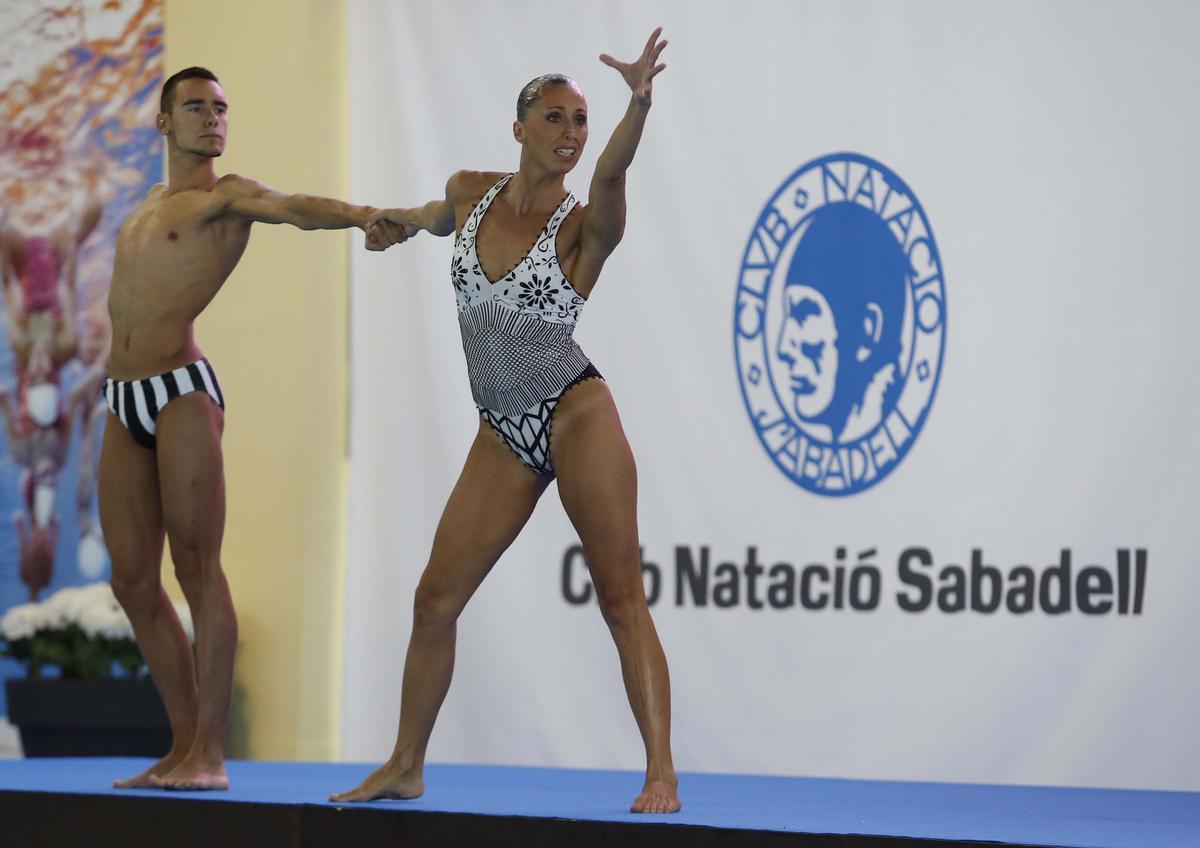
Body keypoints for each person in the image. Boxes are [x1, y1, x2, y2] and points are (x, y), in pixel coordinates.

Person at [333, 30, 680, 814]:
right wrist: (394, 222)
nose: (570, 134)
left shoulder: (586, 225)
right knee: (434, 600)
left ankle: (660, 770)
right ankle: (405, 764)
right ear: (518, 127)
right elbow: (430, 214)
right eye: (555, 118)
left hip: (573, 413)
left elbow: (615, 168)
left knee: (621, 598)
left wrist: (639, 100)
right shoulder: (470, 193)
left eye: (580, 121)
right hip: (503, 431)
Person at [101, 66, 399, 791]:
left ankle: (209, 754)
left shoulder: (225, 198)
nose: (213, 119)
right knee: (134, 582)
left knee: (198, 570)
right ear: (164, 122)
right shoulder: (147, 203)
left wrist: (361, 215)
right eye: (196, 107)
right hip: (120, 397)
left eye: (222, 108)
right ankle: (179, 747)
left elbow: (293, 206)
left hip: (180, 391)